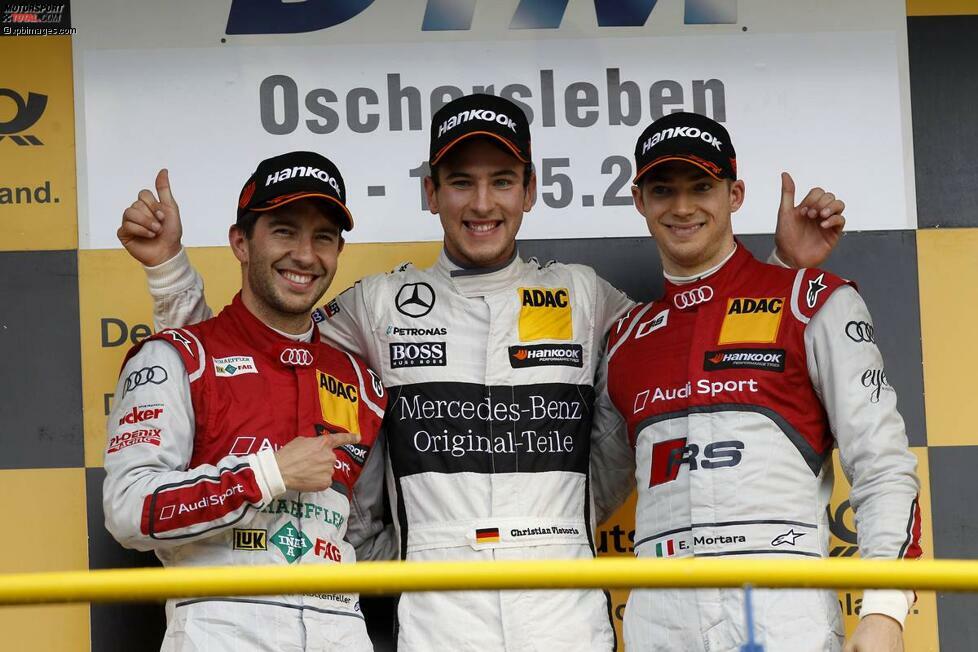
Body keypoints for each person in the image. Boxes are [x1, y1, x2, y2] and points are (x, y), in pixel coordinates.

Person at [117, 94, 844, 651]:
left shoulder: (584, 295)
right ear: (431, 192)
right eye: (460, 182)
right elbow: (248, 356)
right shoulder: (375, 305)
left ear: (531, 190)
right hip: (437, 602)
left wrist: (779, 274)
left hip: (563, 598)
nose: (482, 203)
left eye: (502, 181)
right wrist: (170, 275)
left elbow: (690, 358)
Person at [605, 112, 921, 652]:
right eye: (663, 189)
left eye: (702, 186)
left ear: (736, 193)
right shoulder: (625, 337)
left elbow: (884, 463)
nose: (682, 207)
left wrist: (886, 609)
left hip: (782, 605)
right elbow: (580, 494)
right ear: (639, 200)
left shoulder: (812, 301)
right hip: (659, 614)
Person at [103, 151, 388, 652]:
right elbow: (129, 510)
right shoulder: (178, 358)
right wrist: (265, 475)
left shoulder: (359, 382)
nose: (305, 254)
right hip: (222, 626)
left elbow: (364, 537)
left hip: (341, 629)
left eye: (323, 236)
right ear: (240, 243)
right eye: (283, 231)